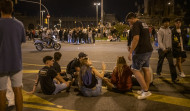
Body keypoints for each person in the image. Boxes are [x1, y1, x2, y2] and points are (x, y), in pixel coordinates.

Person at [0, 1, 26, 111]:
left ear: (0, 10)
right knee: (18, 90)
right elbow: (20, 42)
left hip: (1, 64)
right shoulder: (19, 24)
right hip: (16, 63)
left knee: (2, 91)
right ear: (12, 10)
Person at [126, 12, 153, 99]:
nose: (129, 23)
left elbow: (136, 38)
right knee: (146, 69)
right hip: (148, 49)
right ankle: (145, 89)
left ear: (132, 18)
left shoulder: (136, 25)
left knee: (134, 69)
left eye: (129, 21)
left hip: (141, 51)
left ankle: (145, 91)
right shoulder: (143, 23)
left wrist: (131, 51)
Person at [156, 18, 179, 83]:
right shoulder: (160, 31)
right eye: (165, 22)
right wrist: (163, 48)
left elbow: (171, 40)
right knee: (160, 61)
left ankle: (174, 78)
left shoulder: (170, 30)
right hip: (162, 50)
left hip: (169, 50)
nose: (167, 23)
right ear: (163, 23)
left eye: (168, 22)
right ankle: (158, 72)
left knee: (171, 64)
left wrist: (171, 48)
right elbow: (159, 41)